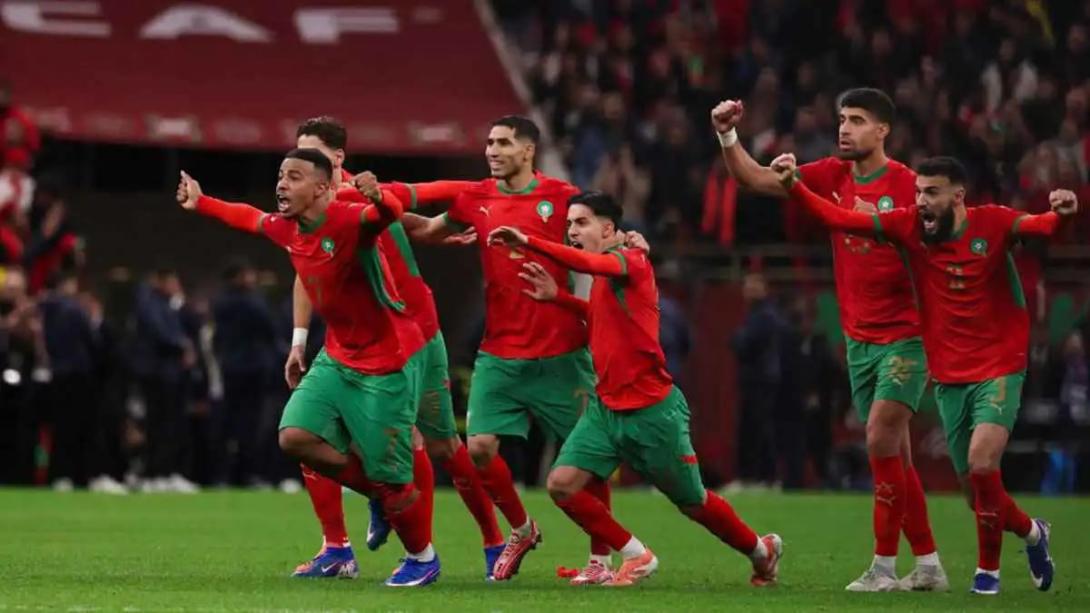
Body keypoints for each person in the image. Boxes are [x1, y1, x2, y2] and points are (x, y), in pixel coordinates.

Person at [773, 153, 1070, 595]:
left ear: (958, 196)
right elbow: (840, 219)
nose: (921, 201)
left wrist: (1060, 212)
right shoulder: (909, 226)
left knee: (982, 463)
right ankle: (1032, 532)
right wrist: (794, 185)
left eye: (931, 192)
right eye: (918, 192)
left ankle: (986, 576)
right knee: (975, 496)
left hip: (1000, 366)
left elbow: (1039, 227)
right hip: (949, 375)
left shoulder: (992, 222)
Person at [711, 89, 946, 591]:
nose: (844, 128)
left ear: (883, 131)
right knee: (898, 457)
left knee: (879, 438)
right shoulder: (832, 174)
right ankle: (928, 565)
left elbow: (940, 241)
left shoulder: (908, 185)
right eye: (842, 118)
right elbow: (753, 178)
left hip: (907, 336)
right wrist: (727, 134)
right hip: (859, 339)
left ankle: (883, 568)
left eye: (857, 120)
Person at [174, 149, 440, 587]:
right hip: (337, 357)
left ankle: (422, 557)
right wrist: (202, 201)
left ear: (321, 188)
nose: (281, 184)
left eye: (294, 176)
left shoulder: (350, 220)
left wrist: (380, 197)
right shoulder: (289, 228)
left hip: (384, 361)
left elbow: (388, 215)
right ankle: (378, 495)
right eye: (281, 175)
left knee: (394, 480)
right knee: (295, 436)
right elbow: (248, 217)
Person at [489, 191, 783, 587]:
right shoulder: (606, 269)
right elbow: (601, 318)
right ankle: (636, 554)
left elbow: (587, 262)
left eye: (581, 222)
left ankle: (761, 551)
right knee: (561, 485)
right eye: (569, 223)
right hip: (606, 409)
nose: (572, 230)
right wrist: (559, 298)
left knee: (693, 502)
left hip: (651, 411)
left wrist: (528, 241)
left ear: (608, 228)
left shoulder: (631, 260)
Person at [393, 116, 612, 582]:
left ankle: (601, 559)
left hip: (561, 351)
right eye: (489, 142)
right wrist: (381, 210)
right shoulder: (476, 197)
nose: (492, 150)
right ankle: (522, 528)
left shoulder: (562, 197)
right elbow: (430, 229)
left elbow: (601, 241)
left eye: (504, 143)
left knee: (589, 459)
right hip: (500, 350)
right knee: (479, 448)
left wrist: (628, 243)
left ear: (528, 151)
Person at [287, 117, 503, 580]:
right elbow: (304, 269)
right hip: (350, 340)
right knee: (310, 432)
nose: (299, 163)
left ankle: (491, 539)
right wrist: (299, 339)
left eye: (311, 154)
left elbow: (415, 212)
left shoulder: (362, 196)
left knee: (437, 442)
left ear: (337, 159)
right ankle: (338, 546)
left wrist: (468, 205)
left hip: (412, 334)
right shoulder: (309, 205)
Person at [212, 259, 279, 487]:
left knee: (228, 423)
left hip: (229, 368)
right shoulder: (252, 303)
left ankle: (223, 475)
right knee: (251, 424)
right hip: (253, 368)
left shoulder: (220, 303)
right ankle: (248, 474)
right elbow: (269, 327)